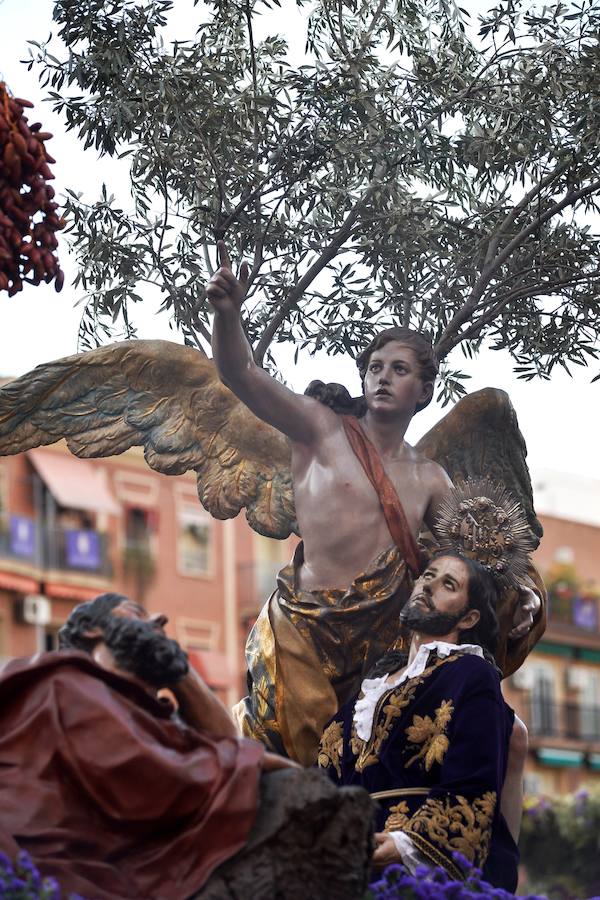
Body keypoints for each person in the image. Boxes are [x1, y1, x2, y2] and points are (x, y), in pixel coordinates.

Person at [206, 243, 543, 766]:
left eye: (400, 369)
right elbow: (240, 375)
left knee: (363, 767)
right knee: (291, 762)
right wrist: (228, 316)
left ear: (424, 391)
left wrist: (520, 591)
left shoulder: (431, 479)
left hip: (382, 646)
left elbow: (472, 562)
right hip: (303, 629)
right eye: (375, 367)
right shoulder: (319, 428)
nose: (383, 376)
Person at [0, 593, 372, 900]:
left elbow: (226, 743)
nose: (160, 618)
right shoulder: (69, 683)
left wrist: (178, 670)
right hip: (62, 859)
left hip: (117, 851)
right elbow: (144, 777)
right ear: (95, 630)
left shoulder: (141, 713)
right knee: (285, 794)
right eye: (135, 615)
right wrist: (257, 764)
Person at [317, 552, 520, 893]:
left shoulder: (470, 674)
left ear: (468, 618)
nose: (429, 585)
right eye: (428, 575)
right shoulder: (374, 685)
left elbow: (473, 783)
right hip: (348, 867)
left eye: (448, 584)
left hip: (418, 868)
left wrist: (405, 845)